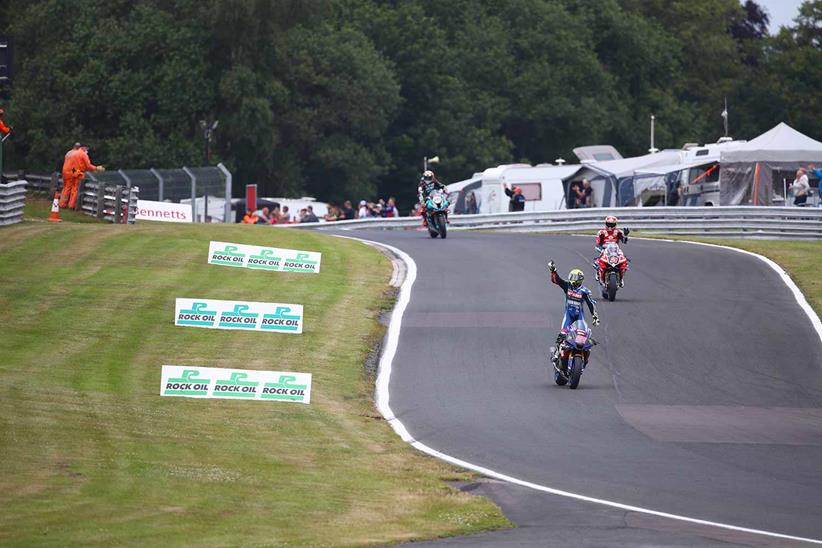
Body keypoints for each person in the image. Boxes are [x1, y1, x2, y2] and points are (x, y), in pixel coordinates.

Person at [547, 260, 600, 366]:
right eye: (571, 277)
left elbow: (590, 303)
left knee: (584, 335)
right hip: (569, 315)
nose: (572, 280)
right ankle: (557, 354)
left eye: (575, 278)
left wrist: (595, 316)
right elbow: (557, 280)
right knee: (562, 334)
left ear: (580, 280)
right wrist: (553, 270)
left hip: (579, 317)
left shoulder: (585, 291)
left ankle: (584, 357)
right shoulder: (567, 286)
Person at [60, 143, 104, 210]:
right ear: (84, 147)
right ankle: (71, 206)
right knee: (75, 189)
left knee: (66, 188)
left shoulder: (70, 153)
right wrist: (96, 168)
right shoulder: (83, 154)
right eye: (87, 149)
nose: (87, 150)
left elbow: (75, 164)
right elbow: (87, 165)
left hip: (68, 171)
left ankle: (62, 204)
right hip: (76, 172)